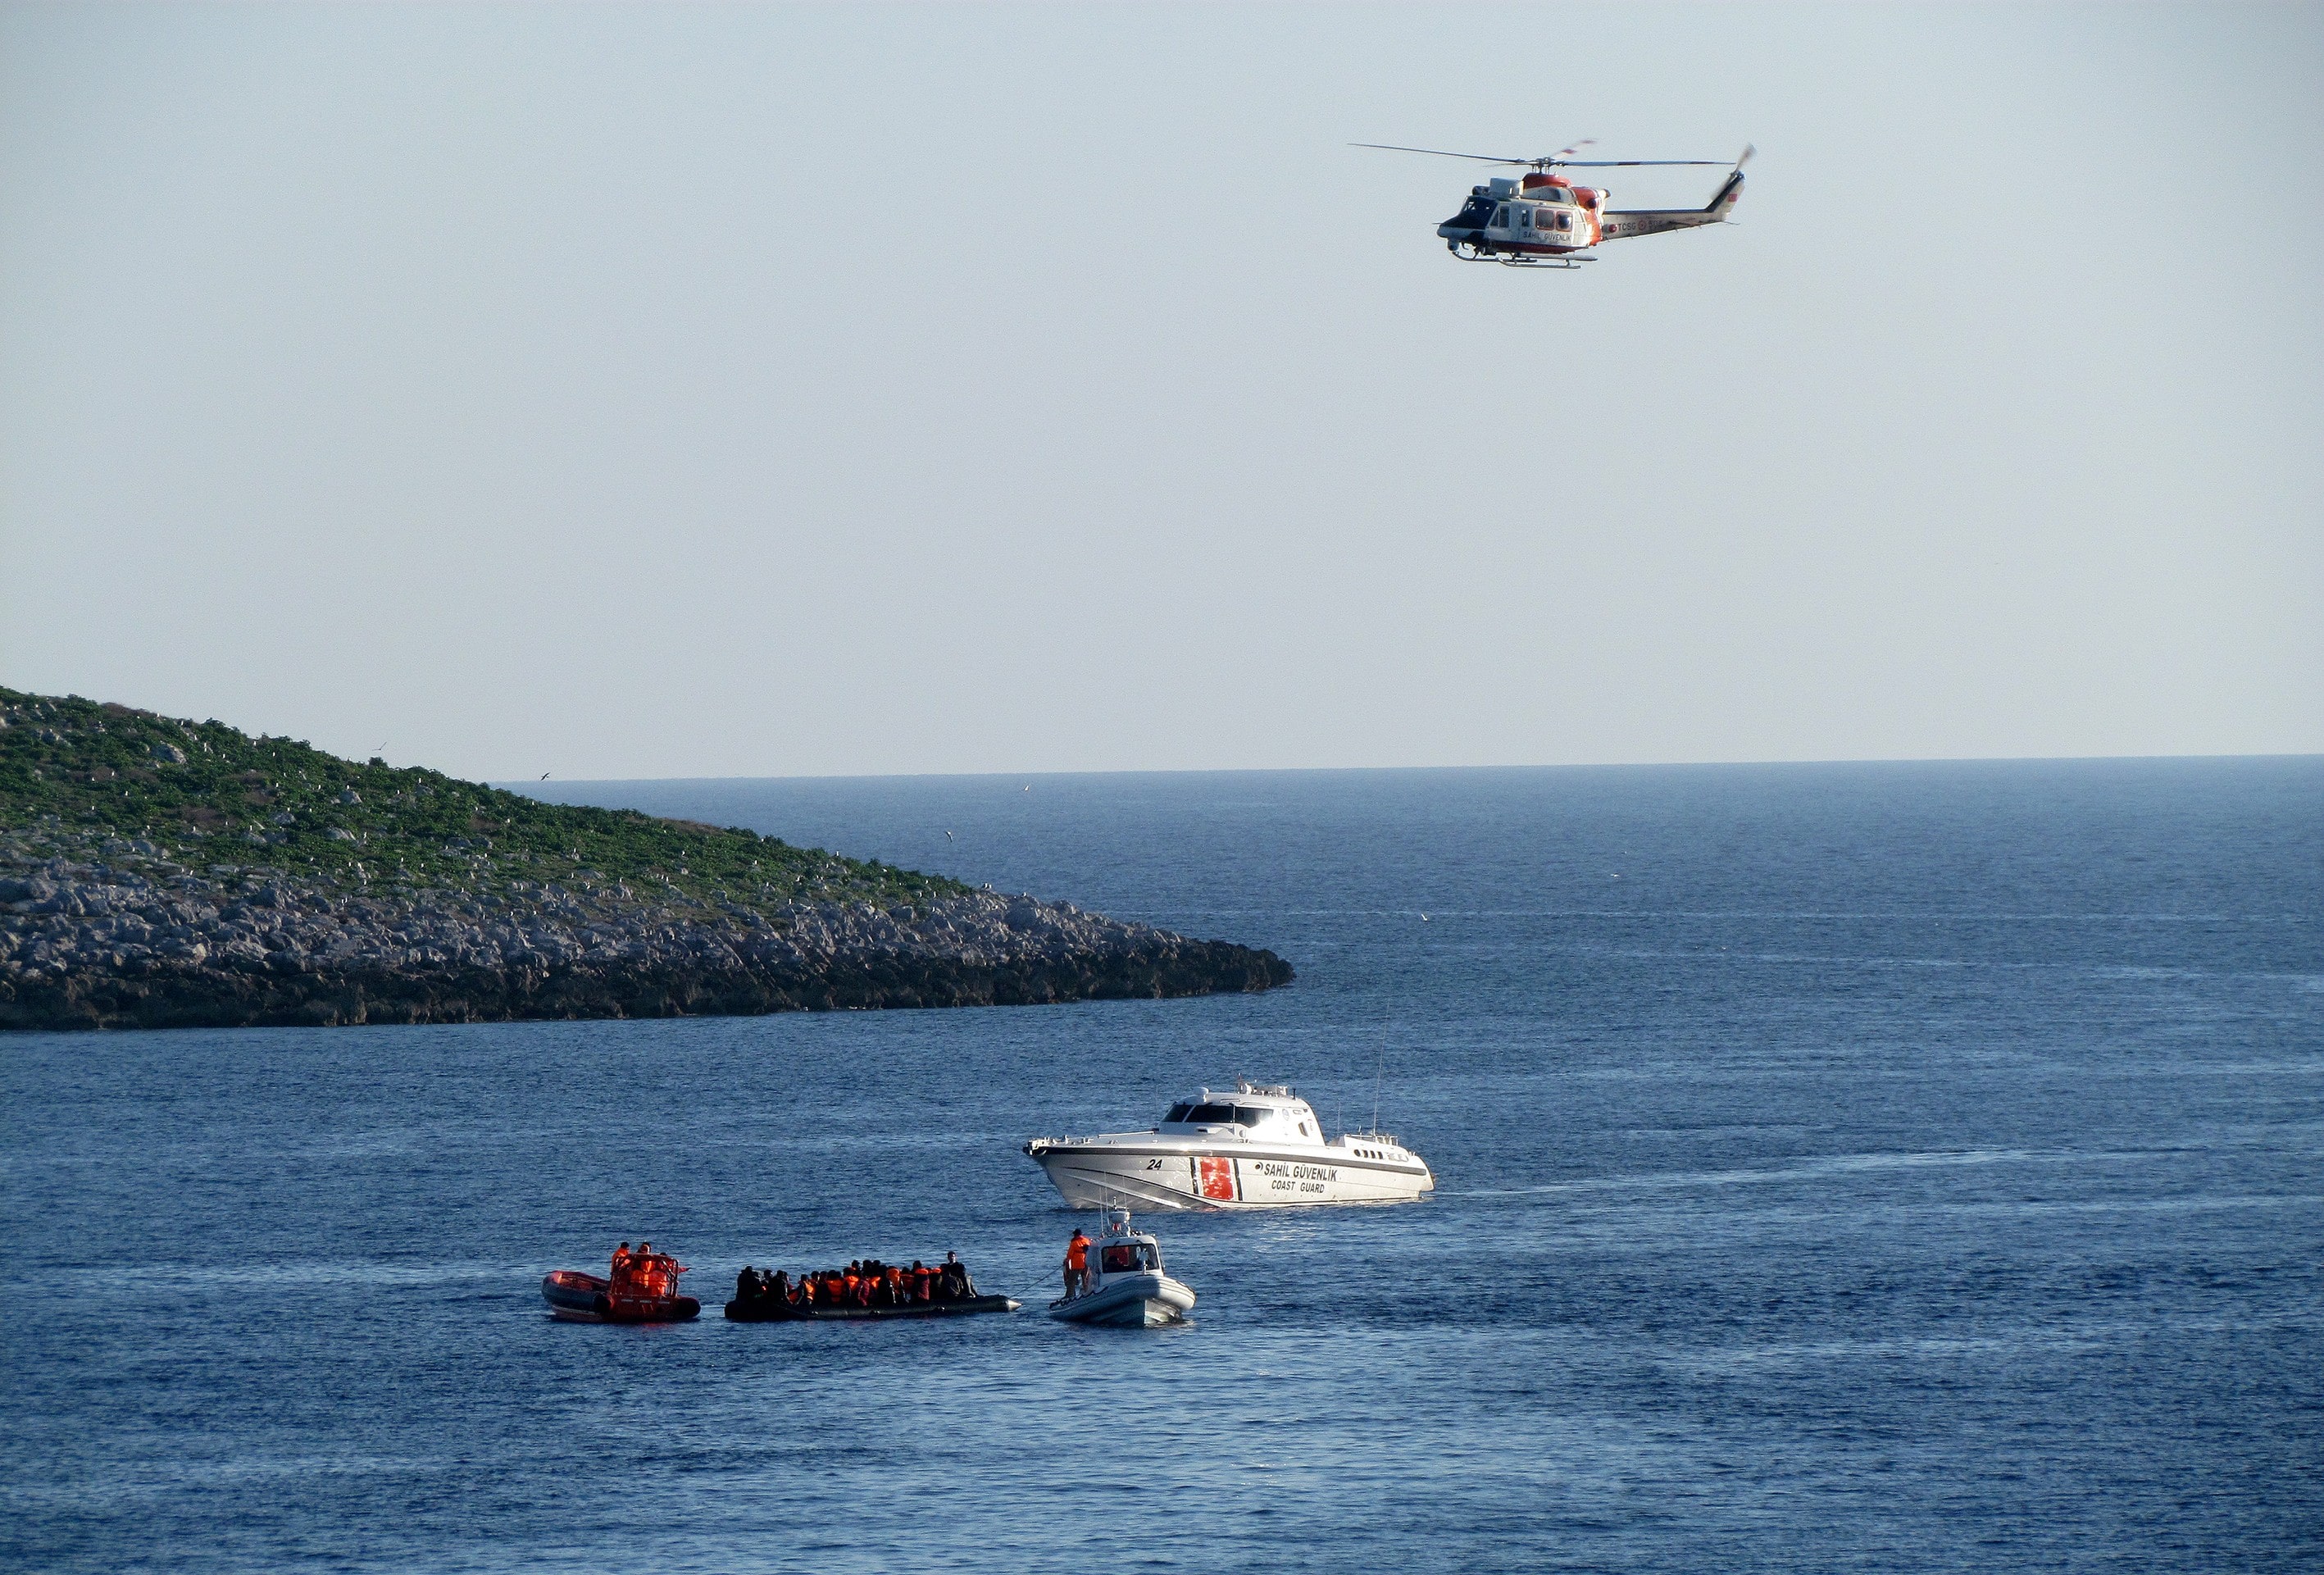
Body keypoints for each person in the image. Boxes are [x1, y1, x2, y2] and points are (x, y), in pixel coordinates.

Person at [1062, 1230, 1090, 1299]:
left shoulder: (1074, 1243)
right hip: (1086, 1262)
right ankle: (1087, 1292)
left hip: (1077, 1264)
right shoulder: (1086, 1240)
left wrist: (1067, 1260)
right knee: (1085, 1278)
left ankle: (1069, 1295)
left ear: (1076, 1235)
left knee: (1072, 1280)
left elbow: (1070, 1254)